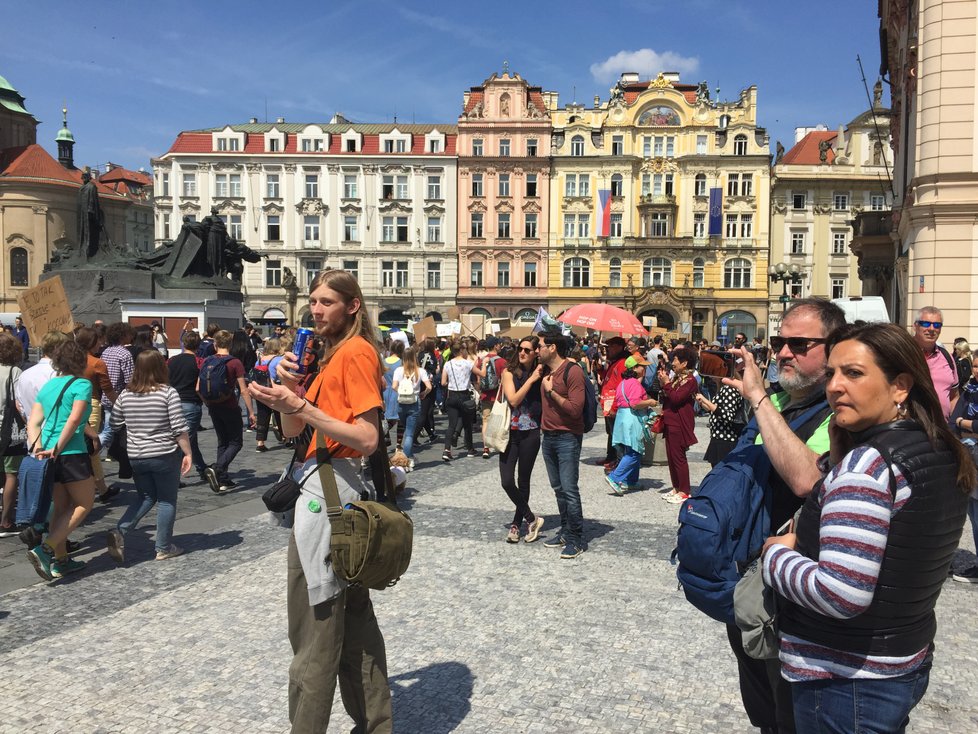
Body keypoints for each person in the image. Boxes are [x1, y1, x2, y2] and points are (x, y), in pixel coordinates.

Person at [762, 322, 973, 733]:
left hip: (845, 677)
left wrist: (775, 554)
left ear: (900, 386)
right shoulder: (941, 447)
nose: (835, 387)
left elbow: (840, 592)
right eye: (832, 374)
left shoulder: (870, 467)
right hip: (903, 657)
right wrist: (840, 463)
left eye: (854, 374)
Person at [247, 268, 392, 733]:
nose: (315, 308)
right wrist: (288, 395)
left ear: (353, 306)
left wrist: (303, 407)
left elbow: (368, 437)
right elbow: (295, 432)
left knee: (314, 632)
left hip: (329, 500)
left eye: (327, 301)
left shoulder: (354, 352)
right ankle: (375, 723)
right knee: (355, 632)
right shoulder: (327, 357)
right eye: (313, 301)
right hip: (329, 494)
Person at [722, 298, 844, 734]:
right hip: (750, 574)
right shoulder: (777, 398)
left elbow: (807, 480)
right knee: (763, 704)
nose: (784, 353)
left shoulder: (840, 414)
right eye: (780, 342)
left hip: (794, 588)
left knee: (791, 708)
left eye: (799, 344)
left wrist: (757, 397)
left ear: (835, 349)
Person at [106, 350, 193, 563]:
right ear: (161, 368)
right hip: (164, 454)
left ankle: (121, 531)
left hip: (136, 455)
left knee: (145, 496)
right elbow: (178, 428)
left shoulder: (126, 394)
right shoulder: (167, 393)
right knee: (166, 500)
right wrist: (188, 452)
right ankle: (163, 547)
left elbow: (115, 423)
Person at [25, 341, 100, 581]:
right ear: (81, 361)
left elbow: (33, 421)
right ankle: (46, 550)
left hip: (46, 453)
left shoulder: (49, 386)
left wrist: (39, 447)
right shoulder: (82, 384)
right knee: (83, 504)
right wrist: (58, 447)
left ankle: (62, 561)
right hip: (70, 453)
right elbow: (74, 419)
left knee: (61, 507)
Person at [538, 332, 587, 559]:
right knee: (558, 490)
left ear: (552, 348)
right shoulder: (546, 372)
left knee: (569, 490)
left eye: (540, 346)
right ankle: (566, 531)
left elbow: (575, 409)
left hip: (567, 438)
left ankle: (576, 539)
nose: (538, 350)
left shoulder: (573, 371)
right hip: (548, 437)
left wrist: (551, 392)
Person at [498, 336, 545, 543]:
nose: (522, 352)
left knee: (523, 481)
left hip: (531, 433)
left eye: (527, 350)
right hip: (510, 432)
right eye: (520, 349)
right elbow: (514, 399)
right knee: (507, 481)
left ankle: (517, 523)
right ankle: (531, 518)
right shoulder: (508, 372)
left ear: (536, 352)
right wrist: (532, 379)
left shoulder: (543, 372)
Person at [198, 330, 255, 493]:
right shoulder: (235, 362)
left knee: (222, 442)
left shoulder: (207, 360)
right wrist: (251, 412)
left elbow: (198, 388)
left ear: (215, 344)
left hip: (213, 406)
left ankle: (222, 479)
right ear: (230, 344)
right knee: (236, 442)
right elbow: (244, 390)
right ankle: (217, 469)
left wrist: (208, 403)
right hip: (230, 406)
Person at [75, 327, 118, 502]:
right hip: (90, 404)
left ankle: (99, 487)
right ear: (91, 343)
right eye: (98, 341)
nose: (101, 344)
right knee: (92, 449)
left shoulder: (72, 361)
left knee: (81, 447)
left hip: (70, 403)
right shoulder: (96, 363)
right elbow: (107, 389)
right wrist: (120, 405)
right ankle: (99, 488)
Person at [606, 355, 657, 495]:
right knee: (634, 452)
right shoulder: (634, 383)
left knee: (632, 450)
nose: (645, 368)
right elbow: (635, 403)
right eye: (642, 366)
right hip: (631, 418)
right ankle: (615, 477)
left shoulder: (623, 382)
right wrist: (650, 402)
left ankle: (631, 480)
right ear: (634, 368)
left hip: (622, 418)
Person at [950, 353, 978, 583]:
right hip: (970, 459)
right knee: (974, 515)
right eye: (976, 366)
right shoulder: (970, 390)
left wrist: (964, 424)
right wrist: (965, 426)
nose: (977, 370)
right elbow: (953, 421)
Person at [659, 346, 699, 504]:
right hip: (670, 421)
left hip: (680, 423)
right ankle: (676, 487)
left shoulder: (690, 381)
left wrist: (667, 384)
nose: (672, 363)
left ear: (684, 363)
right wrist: (664, 384)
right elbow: (669, 396)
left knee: (679, 458)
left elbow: (676, 398)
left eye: (675, 360)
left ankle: (685, 490)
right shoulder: (677, 378)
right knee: (671, 456)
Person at [167, 331, 208, 482]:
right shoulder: (199, 362)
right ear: (198, 345)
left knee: (191, 440)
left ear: (183, 343)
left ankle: (202, 468)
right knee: (184, 441)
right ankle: (174, 477)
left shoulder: (172, 361)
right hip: (191, 402)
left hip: (173, 403)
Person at [695, 355, 749, 468]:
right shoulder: (723, 388)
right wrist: (703, 403)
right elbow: (716, 410)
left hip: (726, 440)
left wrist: (706, 401)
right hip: (719, 437)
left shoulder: (730, 389)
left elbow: (727, 415)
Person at [0, 333, 27, 536]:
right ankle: (6, 521)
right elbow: (20, 403)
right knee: (11, 475)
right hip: (9, 431)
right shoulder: (15, 372)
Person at [912, 306, 957, 420]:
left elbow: (954, 396)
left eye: (937, 325)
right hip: (910, 430)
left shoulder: (947, 357)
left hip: (942, 431)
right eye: (926, 324)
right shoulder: (902, 353)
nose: (931, 329)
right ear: (915, 326)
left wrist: (951, 424)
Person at [390, 346, 431, 471]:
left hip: (401, 403)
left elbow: (393, 386)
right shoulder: (420, 371)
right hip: (414, 402)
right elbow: (429, 386)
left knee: (404, 428)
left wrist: (402, 392)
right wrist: (423, 394)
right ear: (414, 357)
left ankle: (408, 456)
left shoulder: (398, 370)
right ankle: (406, 460)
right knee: (409, 433)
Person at [98, 322, 135, 451]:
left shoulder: (106, 352)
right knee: (109, 432)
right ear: (123, 335)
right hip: (119, 397)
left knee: (111, 429)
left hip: (105, 395)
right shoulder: (125, 354)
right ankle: (91, 449)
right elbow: (130, 380)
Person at [441, 338, 477, 461]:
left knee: (451, 425)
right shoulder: (468, 363)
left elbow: (443, 382)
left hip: (452, 396)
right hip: (464, 395)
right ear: (461, 350)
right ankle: (470, 449)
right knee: (467, 424)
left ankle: (446, 450)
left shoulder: (448, 364)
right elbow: (481, 374)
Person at [596, 337, 628, 467]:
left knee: (617, 434)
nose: (607, 349)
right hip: (608, 404)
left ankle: (619, 463)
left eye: (610, 346)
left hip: (614, 405)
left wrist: (615, 406)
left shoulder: (622, 363)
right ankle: (611, 457)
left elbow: (621, 386)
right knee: (611, 432)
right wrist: (599, 369)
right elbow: (609, 379)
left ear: (619, 347)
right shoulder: (614, 362)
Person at [474, 339, 507, 459]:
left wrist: (479, 389)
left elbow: (478, 378)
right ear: (496, 346)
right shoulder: (502, 361)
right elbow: (504, 379)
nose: (501, 346)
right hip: (498, 395)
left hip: (485, 394)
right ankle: (498, 445)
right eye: (499, 344)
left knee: (485, 421)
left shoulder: (482, 360)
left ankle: (486, 448)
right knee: (499, 420)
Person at [254, 338, 284, 452]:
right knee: (280, 414)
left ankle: (260, 442)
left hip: (261, 390)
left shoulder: (259, 360)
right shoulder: (279, 359)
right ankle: (285, 437)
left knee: (262, 416)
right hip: (275, 389)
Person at [381, 340, 404, 449]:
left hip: (385, 392)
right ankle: (398, 444)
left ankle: (384, 434)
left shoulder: (383, 361)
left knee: (388, 418)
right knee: (399, 420)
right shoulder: (402, 363)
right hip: (396, 391)